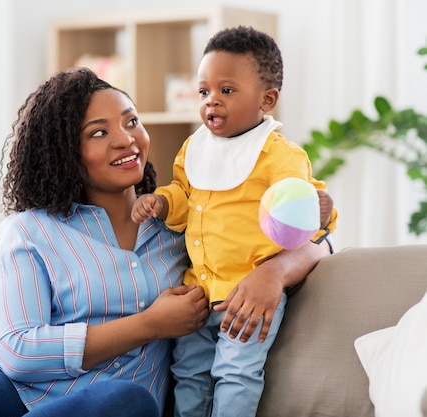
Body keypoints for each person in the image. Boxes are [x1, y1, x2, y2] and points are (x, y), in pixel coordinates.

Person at [0, 67, 332, 417]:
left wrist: (273, 272)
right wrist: (150, 324)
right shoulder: (31, 229)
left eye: (131, 121)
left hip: (115, 405)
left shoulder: (183, 225)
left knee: (122, 399)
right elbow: (15, 352)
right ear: (64, 154)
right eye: (99, 132)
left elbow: (319, 244)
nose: (125, 139)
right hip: (12, 392)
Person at [131, 26, 338, 417]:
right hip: (197, 293)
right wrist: (161, 201)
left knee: (237, 373)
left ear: (267, 98)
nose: (212, 102)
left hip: (248, 296)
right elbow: (184, 194)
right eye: (204, 91)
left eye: (227, 91)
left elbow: (305, 208)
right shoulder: (194, 147)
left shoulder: (280, 156)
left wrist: (320, 209)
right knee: (188, 374)